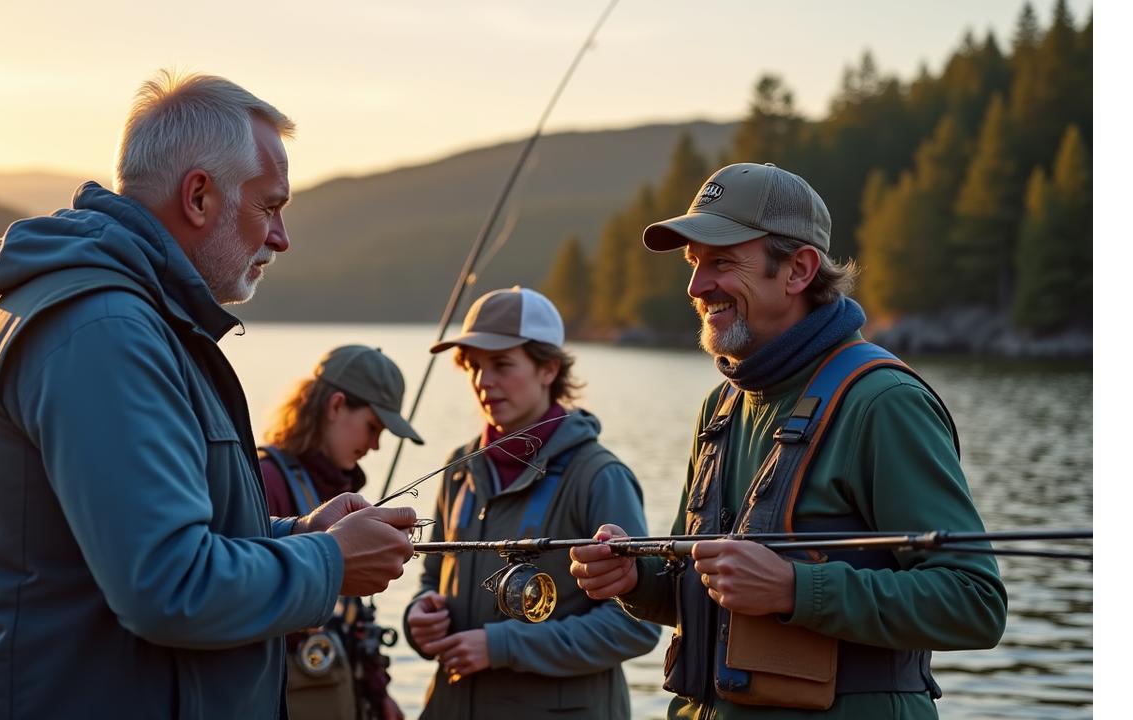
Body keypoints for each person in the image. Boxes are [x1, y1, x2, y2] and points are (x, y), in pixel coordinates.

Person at [0, 70, 416, 719]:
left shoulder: (121, 320)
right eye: (269, 206)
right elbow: (167, 585)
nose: (281, 237)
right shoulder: (104, 333)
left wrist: (298, 533)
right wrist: (327, 563)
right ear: (200, 197)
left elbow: (152, 536)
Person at [568, 162, 1008, 719]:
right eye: (694, 263)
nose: (697, 286)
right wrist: (634, 577)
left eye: (721, 262)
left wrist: (797, 589)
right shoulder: (721, 406)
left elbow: (974, 604)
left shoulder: (882, 402)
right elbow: (696, 585)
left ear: (798, 270)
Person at [404, 286, 661, 719]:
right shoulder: (458, 469)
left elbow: (636, 625)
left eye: (502, 365)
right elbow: (432, 579)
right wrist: (420, 617)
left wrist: (502, 646)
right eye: (474, 367)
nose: (483, 382)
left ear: (549, 369)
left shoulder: (600, 476)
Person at [258, 344, 425, 720]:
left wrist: (379, 695)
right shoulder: (265, 481)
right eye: (373, 427)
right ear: (335, 406)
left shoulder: (337, 488)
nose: (377, 445)